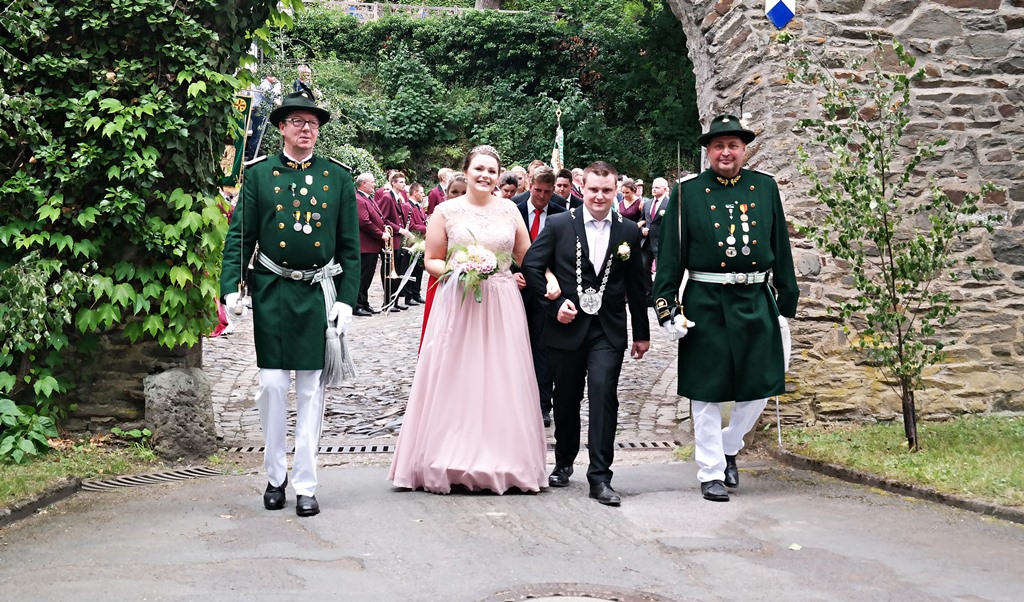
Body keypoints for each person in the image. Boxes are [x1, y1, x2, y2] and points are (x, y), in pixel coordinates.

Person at [220, 89, 360, 517]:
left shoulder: (338, 178)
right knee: (272, 386)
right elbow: (239, 236)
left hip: (318, 292)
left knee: (311, 391)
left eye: (313, 124)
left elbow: (350, 248)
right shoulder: (260, 175)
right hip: (273, 289)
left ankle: (305, 482)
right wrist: (231, 286)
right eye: (298, 122)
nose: (307, 130)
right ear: (282, 127)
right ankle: (274, 473)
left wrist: (348, 301)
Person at [652, 114, 798, 502]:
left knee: (762, 384)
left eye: (733, 145)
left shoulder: (765, 188)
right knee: (706, 390)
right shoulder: (686, 194)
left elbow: (779, 245)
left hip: (755, 298)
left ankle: (729, 445)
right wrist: (667, 307)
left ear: (744, 150)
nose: (726, 152)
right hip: (706, 301)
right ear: (708, 151)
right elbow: (670, 256)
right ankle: (711, 471)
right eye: (718, 146)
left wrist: (786, 297)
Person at [389, 145, 548, 494]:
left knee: (501, 375)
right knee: (457, 374)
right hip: (459, 299)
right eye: (479, 168)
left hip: (503, 301)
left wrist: (549, 280)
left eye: (492, 170)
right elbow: (432, 258)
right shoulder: (445, 211)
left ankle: (505, 458)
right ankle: (447, 455)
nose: (485, 175)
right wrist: (458, 267)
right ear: (467, 170)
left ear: (499, 173)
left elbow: (528, 255)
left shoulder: (509, 210)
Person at [522, 161, 651, 506]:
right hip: (566, 326)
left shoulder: (627, 231)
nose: (599, 196)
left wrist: (642, 332)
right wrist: (553, 305)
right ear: (585, 189)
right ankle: (564, 462)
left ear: (616, 191)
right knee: (565, 399)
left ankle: (600, 477)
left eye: (606, 190)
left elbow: (637, 285)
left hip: (607, 329)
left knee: (604, 394)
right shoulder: (560, 223)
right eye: (593, 189)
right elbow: (531, 265)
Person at [516, 171, 567, 428]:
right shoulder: (513, 208)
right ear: (530, 186)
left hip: (545, 292)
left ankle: (542, 405)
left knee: (542, 350)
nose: (542, 197)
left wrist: (552, 278)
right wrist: (512, 274)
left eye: (548, 192)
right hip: (514, 291)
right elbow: (501, 248)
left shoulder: (560, 213)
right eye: (538, 191)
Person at [355, 172, 397, 317]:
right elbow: (364, 222)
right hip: (365, 246)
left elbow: (378, 217)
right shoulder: (359, 199)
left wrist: (384, 227)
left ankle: (364, 303)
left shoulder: (368, 198)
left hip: (372, 245)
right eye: (372, 182)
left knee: (368, 277)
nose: (374, 184)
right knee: (362, 277)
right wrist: (381, 234)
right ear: (363, 184)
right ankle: (358, 305)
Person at [375, 171, 413, 310]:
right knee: (389, 271)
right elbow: (383, 219)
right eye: (401, 182)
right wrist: (399, 229)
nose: (404, 185)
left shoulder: (398, 198)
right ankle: (387, 302)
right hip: (391, 240)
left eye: (404, 182)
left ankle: (394, 301)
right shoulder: (387, 197)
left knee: (397, 270)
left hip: (397, 240)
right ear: (393, 183)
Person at [641, 177, 670, 304]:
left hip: (661, 242)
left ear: (664, 189)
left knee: (661, 271)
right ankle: (649, 295)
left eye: (657, 187)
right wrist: (642, 229)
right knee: (643, 268)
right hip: (647, 242)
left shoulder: (669, 204)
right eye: (653, 187)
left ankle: (661, 296)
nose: (653, 189)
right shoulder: (647, 204)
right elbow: (642, 220)